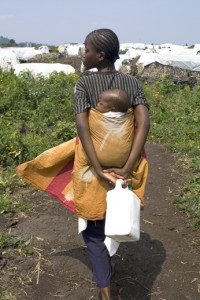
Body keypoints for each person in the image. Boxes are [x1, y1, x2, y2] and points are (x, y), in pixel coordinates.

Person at [74, 28, 150, 300]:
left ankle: (105, 290)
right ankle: (107, 266)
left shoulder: (84, 84)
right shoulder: (133, 84)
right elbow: (143, 124)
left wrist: (96, 168)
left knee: (94, 229)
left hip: (92, 168)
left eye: (87, 49)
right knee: (115, 217)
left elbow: (83, 126)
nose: (84, 54)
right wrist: (128, 168)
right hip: (125, 168)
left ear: (100, 55)